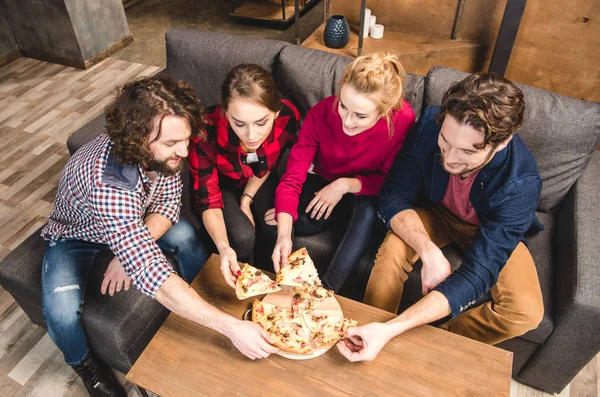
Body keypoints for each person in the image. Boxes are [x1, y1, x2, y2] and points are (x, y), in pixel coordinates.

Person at [41, 76, 278, 397]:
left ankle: (203, 303)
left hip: (135, 219)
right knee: (60, 311)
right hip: (77, 235)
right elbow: (153, 277)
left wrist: (130, 251)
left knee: (186, 236)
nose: (183, 150)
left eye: (184, 139)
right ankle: (86, 368)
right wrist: (231, 328)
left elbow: (167, 207)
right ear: (138, 139)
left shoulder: (164, 154)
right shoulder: (109, 183)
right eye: (171, 143)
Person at [337, 73, 544, 362]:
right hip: (435, 213)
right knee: (391, 253)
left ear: (502, 142)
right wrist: (429, 251)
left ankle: (414, 341)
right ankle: (371, 330)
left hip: (483, 228)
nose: (449, 158)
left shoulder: (521, 183)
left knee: (526, 311)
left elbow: (477, 274)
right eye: (445, 142)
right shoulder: (429, 122)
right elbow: (393, 196)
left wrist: (398, 330)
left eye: (467, 151)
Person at [271, 52, 415, 292]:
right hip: (323, 180)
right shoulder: (320, 114)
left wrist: (344, 185)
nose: (347, 121)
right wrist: (284, 232)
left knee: (367, 211)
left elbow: (389, 181)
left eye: (360, 115)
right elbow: (292, 177)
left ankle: (327, 290)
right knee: (296, 222)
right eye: (343, 106)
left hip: (367, 191)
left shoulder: (403, 121)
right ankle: (340, 218)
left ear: (384, 111)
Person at [188, 63, 300, 287]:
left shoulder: (289, 117)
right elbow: (208, 198)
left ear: (276, 112)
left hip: (259, 179)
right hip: (222, 185)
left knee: (276, 225)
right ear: (226, 112)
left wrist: (247, 200)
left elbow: (269, 164)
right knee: (241, 236)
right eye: (239, 124)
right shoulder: (204, 130)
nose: (251, 135)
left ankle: (274, 288)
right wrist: (223, 247)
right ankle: (242, 288)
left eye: (261, 123)